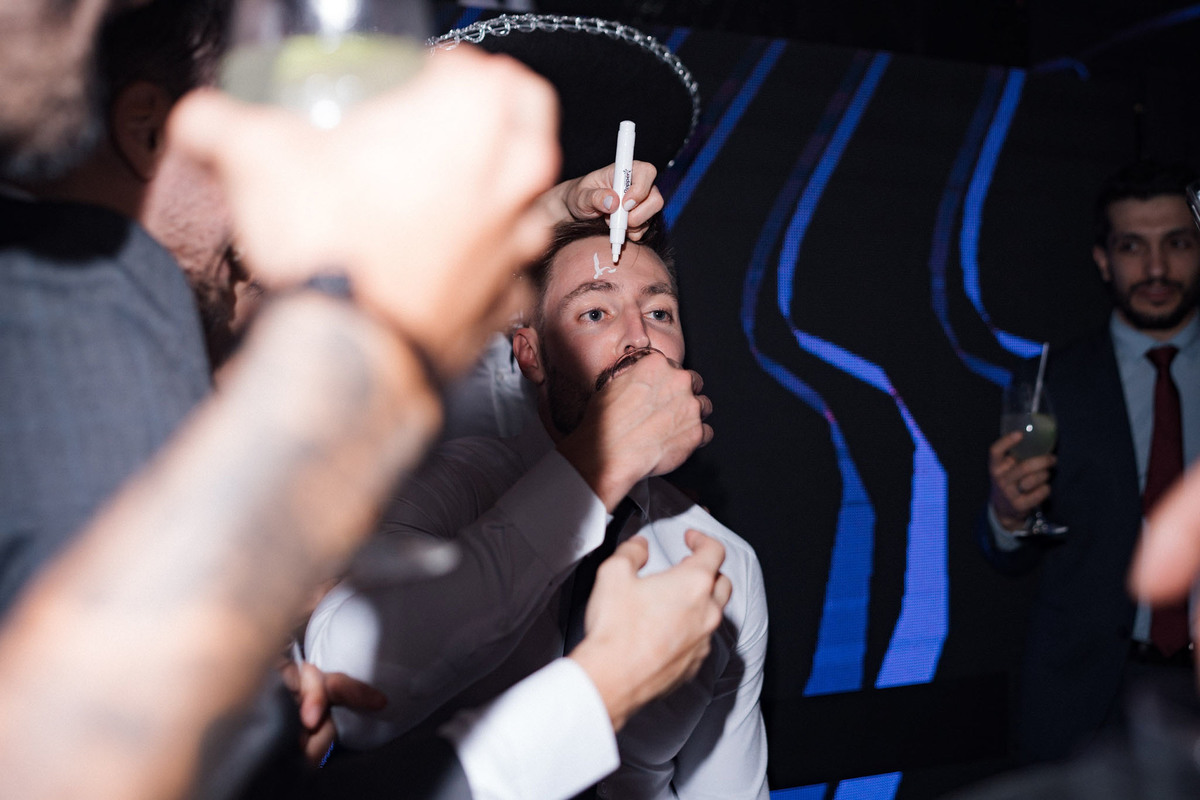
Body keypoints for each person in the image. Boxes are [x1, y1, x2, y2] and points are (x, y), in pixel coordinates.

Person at [0, 4, 734, 799]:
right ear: (150, 131)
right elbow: (80, 761)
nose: (268, 218)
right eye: (260, 147)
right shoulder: (82, 312)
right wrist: (597, 695)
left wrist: (244, 725)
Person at [307, 216, 770, 799]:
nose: (639, 338)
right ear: (531, 356)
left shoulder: (722, 564)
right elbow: (347, 686)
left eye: (659, 312)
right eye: (595, 313)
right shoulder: (448, 490)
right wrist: (602, 464)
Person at [981, 160, 1200, 763]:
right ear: (1103, 260)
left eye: (1177, 243)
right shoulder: (1051, 383)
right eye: (1132, 247)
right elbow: (1010, 551)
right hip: (1089, 697)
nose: (1156, 269)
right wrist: (1008, 514)